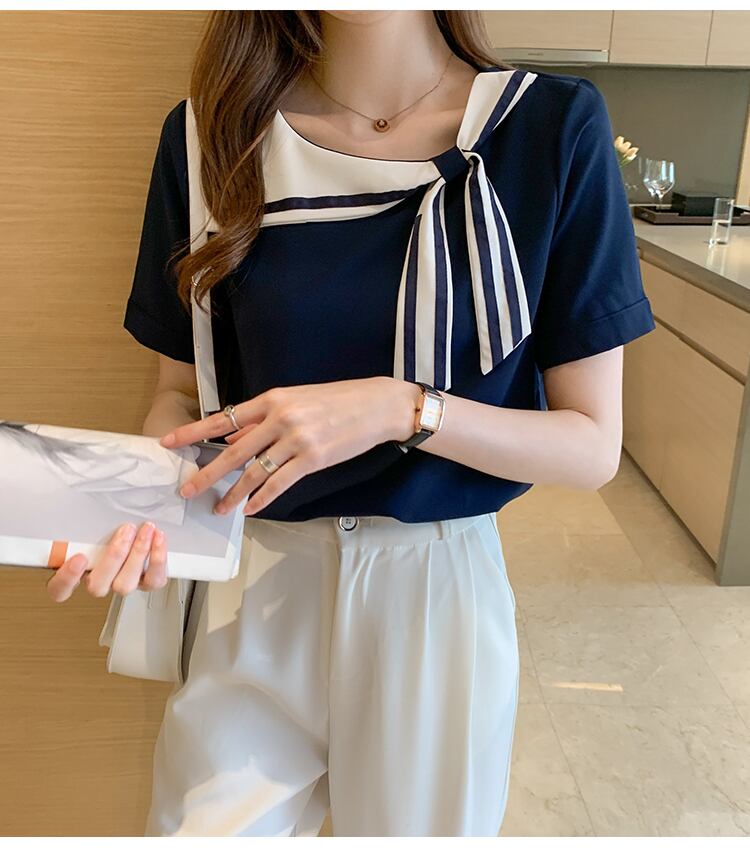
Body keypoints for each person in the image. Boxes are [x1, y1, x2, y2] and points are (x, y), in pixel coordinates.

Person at [46, 10, 656, 837]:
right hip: (253, 580)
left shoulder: (548, 129)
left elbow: (591, 446)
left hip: (434, 593)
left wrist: (401, 408)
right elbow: (181, 397)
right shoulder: (206, 136)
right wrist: (147, 504)